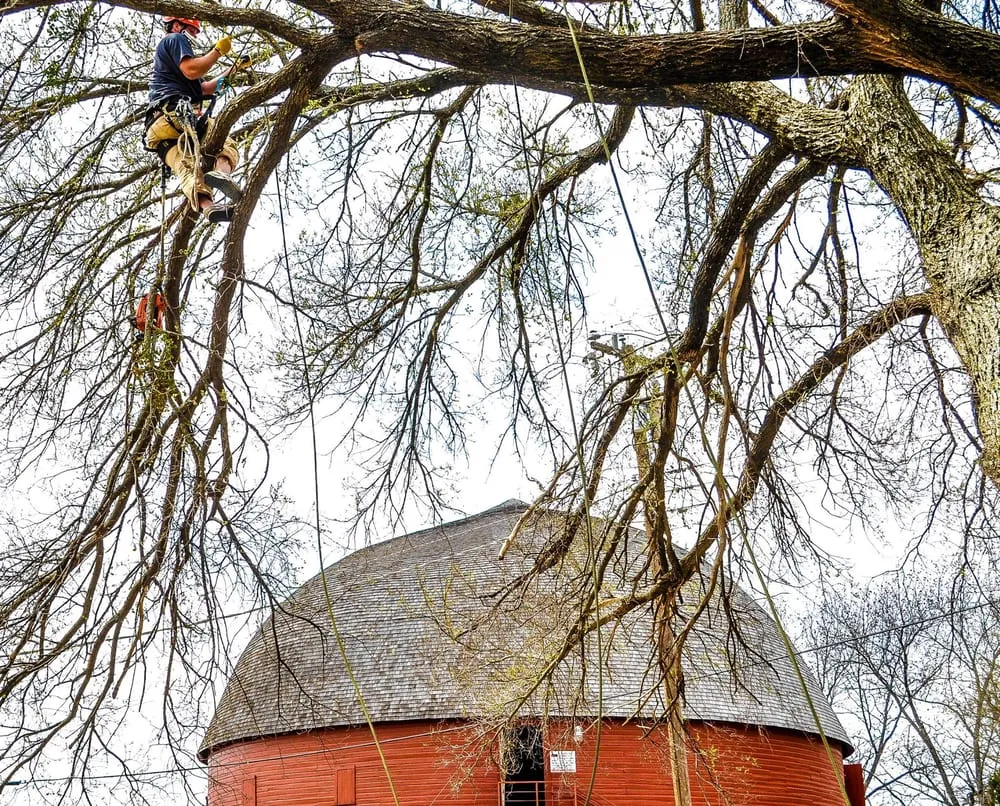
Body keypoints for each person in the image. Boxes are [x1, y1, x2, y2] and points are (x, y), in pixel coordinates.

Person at [145, 17, 243, 223]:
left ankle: (208, 208)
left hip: (158, 129)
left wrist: (234, 68)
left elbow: (205, 88)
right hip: (176, 113)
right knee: (223, 140)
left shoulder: (170, 60)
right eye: (192, 30)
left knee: (186, 169)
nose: (195, 35)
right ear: (177, 25)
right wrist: (217, 52)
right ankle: (222, 173)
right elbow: (191, 70)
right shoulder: (174, 39)